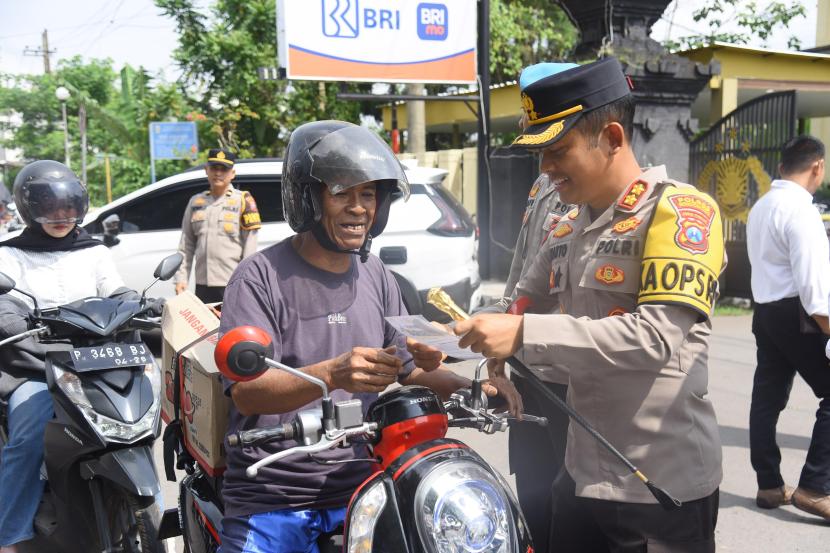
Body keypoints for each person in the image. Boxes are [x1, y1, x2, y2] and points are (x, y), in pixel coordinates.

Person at [438, 57, 725, 552]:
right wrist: (452, 340)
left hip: (657, 484)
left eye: (557, 151)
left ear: (612, 138)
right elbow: (521, 300)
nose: (545, 168)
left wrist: (522, 334)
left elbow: (656, 338)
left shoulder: (678, 213)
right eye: (540, 153)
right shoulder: (568, 225)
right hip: (580, 470)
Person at [217, 121, 516, 553]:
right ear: (308, 198)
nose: (358, 208)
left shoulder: (376, 274)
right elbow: (247, 394)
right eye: (342, 192)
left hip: (365, 486)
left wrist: (471, 388)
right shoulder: (258, 277)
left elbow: (409, 369)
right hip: (274, 493)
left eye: (369, 195)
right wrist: (332, 374)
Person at [0, 161, 129, 553]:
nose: (61, 216)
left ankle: (149, 517)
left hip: (95, 361)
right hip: (36, 365)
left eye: (68, 207)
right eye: (49, 207)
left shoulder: (94, 251)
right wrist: (11, 319)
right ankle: (9, 537)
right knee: (27, 438)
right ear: (29, 208)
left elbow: (115, 289)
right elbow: (5, 306)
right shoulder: (12, 254)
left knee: (134, 426)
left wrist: (136, 302)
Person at [473, 63, 575, 553]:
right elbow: (521, 272)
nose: (528, 128)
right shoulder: (542, 185)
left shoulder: (597, 189)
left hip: (570, 371)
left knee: (571, 500)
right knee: (533, 494)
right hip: (527, 366)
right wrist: (499, 350)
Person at [746, 135, 830, 520]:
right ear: (817, 167)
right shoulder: (802, 211)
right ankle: (815, 486)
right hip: (799, 314)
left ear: (781, 167)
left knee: (767, 398)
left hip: (765, 312)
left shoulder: (762, 206)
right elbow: (815, 289)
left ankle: (769, 484)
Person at [174, 148, 261, 304]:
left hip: (232, 282)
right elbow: (186, 245)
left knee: (232, 320)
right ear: (206, 170)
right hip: (203, 284)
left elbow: (250, 249)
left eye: (224, 169)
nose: (218, 173)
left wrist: (245, 282)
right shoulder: (196, 202)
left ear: (232, 173)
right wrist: (181, 278)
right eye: (214, 168)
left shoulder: (243, 201)